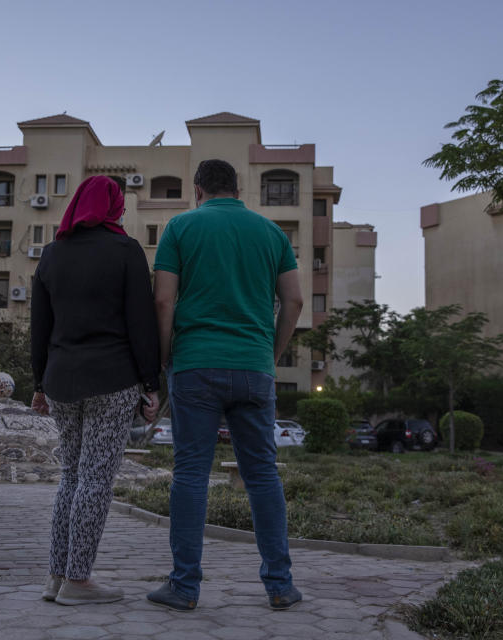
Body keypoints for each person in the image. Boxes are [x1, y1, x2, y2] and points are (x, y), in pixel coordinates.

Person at [147, 159, 304, 611]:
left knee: (191, 474)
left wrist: (164, 358)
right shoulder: (272, 233)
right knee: (262, 476)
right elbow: (293, 301)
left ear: (198, 190)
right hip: (255, 367)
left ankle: (184, 587)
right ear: (239, 190)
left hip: (195, 365)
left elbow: (163, 299)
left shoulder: (180, 228)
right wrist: (269, 358)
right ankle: (280, 585)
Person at [30, 175, 161, 606]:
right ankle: (79, 580)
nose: (121, 211)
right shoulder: (125, 251)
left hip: (61, 380)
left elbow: (40, 329)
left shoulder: (50, 255)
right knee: (96, 480)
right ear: (111, 207)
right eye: (119, 205)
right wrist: (151, 383)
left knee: (70, 476)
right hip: (113, 379)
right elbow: (141, 323)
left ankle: (56, 575)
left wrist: (38, 383)